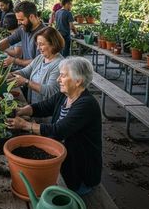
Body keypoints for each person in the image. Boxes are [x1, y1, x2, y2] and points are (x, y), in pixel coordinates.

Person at [6, 57, 102, 195]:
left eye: (63, 76)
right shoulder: (64, 95)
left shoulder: (86, 104)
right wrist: (20, 111)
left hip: (78, 173)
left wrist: (25, 125)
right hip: (62, 160)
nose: (58, 80)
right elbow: (43, 107)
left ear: (78, 81)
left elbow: (58, 131)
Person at [10, 27, 64, 103]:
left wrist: (26, 82)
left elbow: (50, 91)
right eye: (37, 44)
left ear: (53, 44)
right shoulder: (40, 58)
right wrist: (7, 76)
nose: (38, 48)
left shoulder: (59, 64)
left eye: (41, 44)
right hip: (34, 107)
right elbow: (24, 72)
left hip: (46, 112)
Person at [0, 1, 45, 68]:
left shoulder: (44, 34)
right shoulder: (23, 28)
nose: (18, 23)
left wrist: (14, 60)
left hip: (35, 74)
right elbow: (8, 41)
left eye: (21, 20)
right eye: (17, 20)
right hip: (25, 71)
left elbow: (38, 62)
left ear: (31, 17)